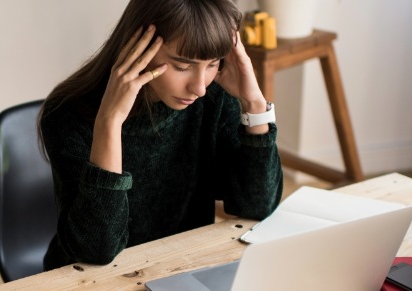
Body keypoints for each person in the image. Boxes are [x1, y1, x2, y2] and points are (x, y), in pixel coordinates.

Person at [38, 0, 284, 271]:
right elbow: (96, 250)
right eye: (182, 67)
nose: (199, 87)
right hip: (87, 279)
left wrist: (254, 105)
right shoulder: (68, 114)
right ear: (137, 48)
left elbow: (258, 206)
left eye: (213, 64)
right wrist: (109, 122)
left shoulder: (214, 97)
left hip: (180, 266)